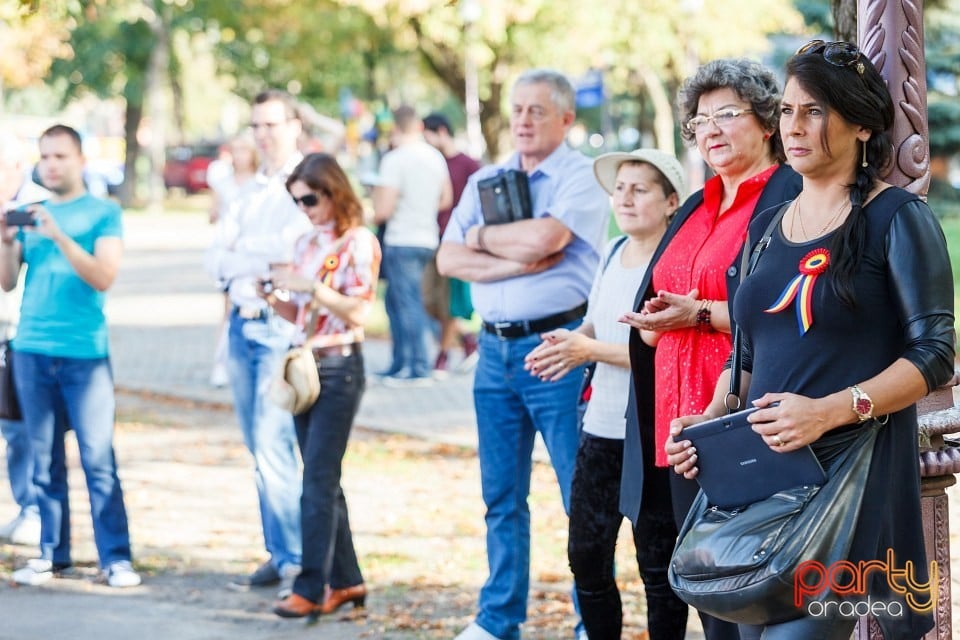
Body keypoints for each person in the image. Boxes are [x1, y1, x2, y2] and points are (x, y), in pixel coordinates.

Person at [664, 41, 955, 640]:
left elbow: (935, 353)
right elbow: (748, 353)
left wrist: (829, 411)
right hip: (763, 489)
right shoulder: (768, 228)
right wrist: (711, 418)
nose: (794, 127)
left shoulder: (895, 218)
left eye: (816, 111)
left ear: (863, 125)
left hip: (849, 491)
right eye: (789, 111)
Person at [617, 58, 802, 640]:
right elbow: (653, 319)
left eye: (729, 114)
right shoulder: (696, 205)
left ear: (767, 123)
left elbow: (786, 314)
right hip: (679, 432)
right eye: (701, 120)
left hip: (744, 424)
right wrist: (658, 317)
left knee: (755, 597)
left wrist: (695, 314)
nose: (712, 129)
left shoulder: (786, 196)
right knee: (706, 593)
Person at [437, 68, 610, 640]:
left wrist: (483, 239)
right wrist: (509, 257)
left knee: (575, 493)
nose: (523, 121)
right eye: (516, 110)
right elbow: (447, 259)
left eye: (537, 110)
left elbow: (547, 241)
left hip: (556, 348)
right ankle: (497, 618)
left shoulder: (580, 177)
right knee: (501, 496)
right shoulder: (487, 177)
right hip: (493, 353)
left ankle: (592, 620)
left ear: (565, 119)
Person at [525, 149, 689, 639]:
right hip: (599, 428)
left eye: (640, 189)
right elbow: (599, 321)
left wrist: (587, 348)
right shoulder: (613, 252)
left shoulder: (671, 265)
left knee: (658, 568)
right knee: (586, 558)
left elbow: (659, 353)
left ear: (670, 202)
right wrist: (570, 339)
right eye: (620, 188)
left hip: (650, 433)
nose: (626, 198)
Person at [0, 124, 141, 588]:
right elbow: (6, 281)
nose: (52, 164)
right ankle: (52, 554)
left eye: (60, 156)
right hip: (31, 349)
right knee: (44, 459)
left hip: (84, 354)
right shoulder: (29, 213)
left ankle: (115, 558)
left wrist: (58, 235)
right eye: (45, 157)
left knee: (98, 457)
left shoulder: (103, 213)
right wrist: (4, 242)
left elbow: (103, 275)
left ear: (81, 160)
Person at [262, 153, 381, 619]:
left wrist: (310, 287)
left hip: (340, 367)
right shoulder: (307, 242)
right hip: (305, 367)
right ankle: (348, 582)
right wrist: (273, 297)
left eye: (310, 199)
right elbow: (303, 315)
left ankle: (310, 588)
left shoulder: (359, 242)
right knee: (323, 481)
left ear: (334, 191)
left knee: (315, 481)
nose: (305, 209)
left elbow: (359, 312)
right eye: (297, 202)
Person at [204, 89, 312, 599]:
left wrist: (242, 251)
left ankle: (297, 559)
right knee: (257, 446)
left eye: (272, 124)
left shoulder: (306, 183)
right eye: (256, 126)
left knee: (275, 446)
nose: (263, 134)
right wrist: (249, 255)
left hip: (277, 326)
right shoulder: (245, 190)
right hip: (241, 325)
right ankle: (279, 549)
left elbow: (297, 250)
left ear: (294, 125)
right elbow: (214, 263)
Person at [373, 105, 452, 385]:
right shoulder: (434, 157)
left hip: (401, 238)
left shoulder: (395, 159)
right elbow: (445, 198)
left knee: (404, 305)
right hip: (427, 236)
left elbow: (383, 209)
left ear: (394, 128)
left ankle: (417, 366)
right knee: (404, 302)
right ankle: (400, 364)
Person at [0, 131, 50, 548]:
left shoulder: (40, 206)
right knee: (9, 426)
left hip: (22, 332)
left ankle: (35, 509)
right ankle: (24, 505)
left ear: (17, 167)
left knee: (22, 427)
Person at [421, 112, 482, 374]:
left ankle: (443, 355)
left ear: (442, 131)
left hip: (457, 240)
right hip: (433, 235)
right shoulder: (431, 163)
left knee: (450, 301)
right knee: (432, 301)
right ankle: (468, 341)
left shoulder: (468, 164)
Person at [207, 133, 260, 388]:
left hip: (253, 251)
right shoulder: (224, 182)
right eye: (235, 150)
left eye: (244, 150)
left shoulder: (261, 182)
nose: (239, 156)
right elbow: (213, 213)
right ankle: (220, 363)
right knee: (228, 308)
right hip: (229, 252)